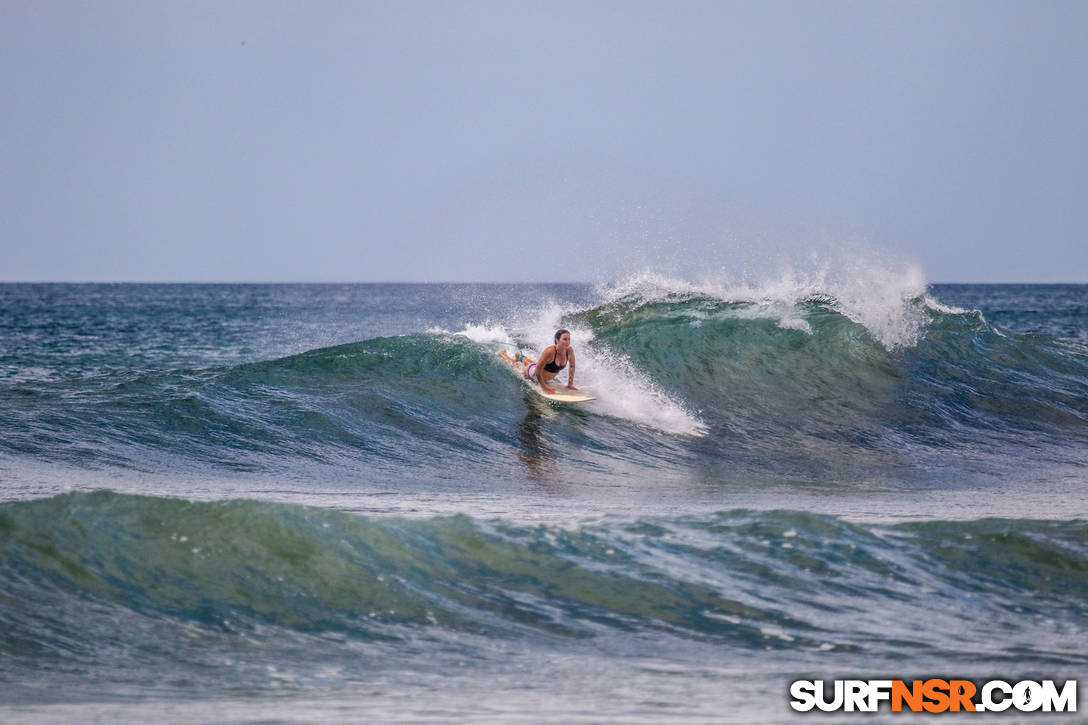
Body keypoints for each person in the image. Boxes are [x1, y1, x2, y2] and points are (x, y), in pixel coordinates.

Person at [500, 329, 577, 395]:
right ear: (557, 340)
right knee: (516, 366)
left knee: (532, 364)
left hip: (542, 373)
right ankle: (503, 354)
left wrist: (570, 383)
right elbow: (538, 370)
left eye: (569, 339)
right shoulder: (550, 351)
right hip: (534, 375)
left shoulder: (569, 350)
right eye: (565, 339)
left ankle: (520, 356)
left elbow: (572, 366)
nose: (567, 342)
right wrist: (544, 387)